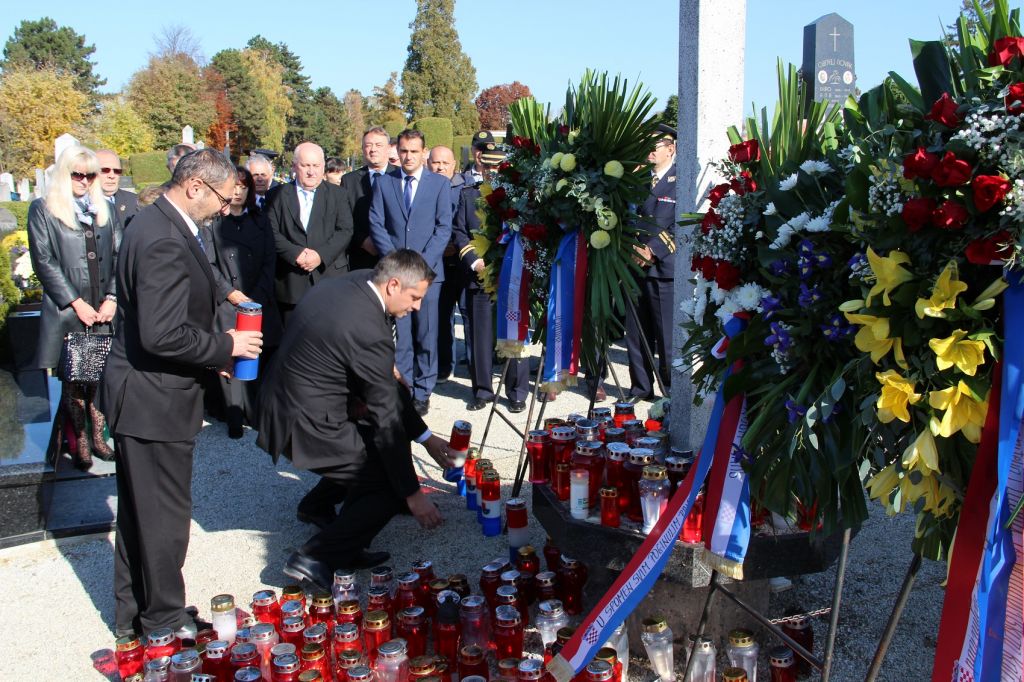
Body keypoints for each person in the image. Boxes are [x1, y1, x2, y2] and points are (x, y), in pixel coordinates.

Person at [98, 149, 264, 639]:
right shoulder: (162, 239)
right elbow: (162, 334)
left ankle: (138, 616)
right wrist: (225, 346)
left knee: (142, 515)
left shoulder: (159, 223)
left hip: (149, 393)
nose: (223, 208)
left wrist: (216, 345)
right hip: (153, 398)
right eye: (221, 198)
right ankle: (164, 622)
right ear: (195, 186)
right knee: (163, 519)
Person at [256, 250, 455, 587]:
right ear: (393, 284)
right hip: (304, 420)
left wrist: (425, 438)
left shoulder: (360, 282)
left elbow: (386, 388)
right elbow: (387, 421)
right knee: (388, 484)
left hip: (287, 399)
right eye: (415, 297)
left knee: (373, 452)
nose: (418, 307)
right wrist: (411, 493)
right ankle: (316, 557)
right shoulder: (368, 329)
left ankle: (321, 510)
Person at [27, 145, 121, 470]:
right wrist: (75, 303)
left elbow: (120, 255)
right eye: (77, 174)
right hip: (69, 310)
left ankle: (99, 439)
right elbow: (44, 261)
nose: (84, 180)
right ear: (64, 175)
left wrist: (112, 297)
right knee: (75, 380)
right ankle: (80, 441)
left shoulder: (104, 209)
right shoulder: (44, 209)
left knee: (98, 376)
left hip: (102, 309)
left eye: (90, 175)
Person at [369, 129, 452, 416]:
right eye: (403, 151)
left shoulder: (439, 184)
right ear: (398, 151)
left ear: (423, 153)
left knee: (426, 335)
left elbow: (443, 227)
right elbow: (377, 223)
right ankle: (403, 388)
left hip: (428, 275)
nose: (408, 156)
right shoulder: (384, 183)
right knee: (401, 337)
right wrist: (397, 264)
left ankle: (423, 390)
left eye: (414, 151)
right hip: (395, 276)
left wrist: (419, 267)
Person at [451, 145, 530, 413]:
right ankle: (482, 391)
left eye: (498, 167)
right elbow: (460, 232)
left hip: (512, 275)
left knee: (513, 333)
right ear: (481, 167)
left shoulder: (518, 198)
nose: (492, 172)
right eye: (488, 167)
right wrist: (475, 261)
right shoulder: (468, 195)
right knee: (480, 336)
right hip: (480, 274)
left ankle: (517, 391)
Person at [208, 166, 284, 437]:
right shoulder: (214, 223)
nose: (238, 192)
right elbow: (209, 263)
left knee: (258, 356)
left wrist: (257, 295)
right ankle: (233, 415)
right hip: (228, 300)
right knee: (230, 357)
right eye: (235, 187)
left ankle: (256, 413)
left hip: (258, 299)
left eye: (244, 187)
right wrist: (230, 293)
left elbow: (269, 259)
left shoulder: (260, 219)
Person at [266, 142, 354, 325]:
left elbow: (345, 230)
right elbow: (270, 231)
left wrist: (320, 255)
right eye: (305, 165)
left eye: (316, 165)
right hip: (291, 281)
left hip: (329, 279)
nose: (311, 172)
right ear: (294, 166)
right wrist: (295, 253)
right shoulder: (277, 195)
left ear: (323, 167)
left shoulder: (338, 195)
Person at [626, 124, 678, 402]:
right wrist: (631, 247)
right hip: (635, 265)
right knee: (636, 333)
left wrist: (653, 250)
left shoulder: (680, 180)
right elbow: (628, 218)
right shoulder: (638, 179)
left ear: (670, 149)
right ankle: (641, 388)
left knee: (666, 337)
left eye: (654, 146)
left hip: (663, 267)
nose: (649, 150)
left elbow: (681, 224)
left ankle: (670, 391)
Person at [427, 144, 467, 384]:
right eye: (436, 162)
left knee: (469, 317)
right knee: (442, 318)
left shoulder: (466, 189)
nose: (440, 167)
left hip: (464, 262)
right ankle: (444, 365)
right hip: (437, 263)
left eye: (445, 163)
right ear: (428, 164)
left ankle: (474, 363)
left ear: (455, 165)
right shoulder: (424, 188)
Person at [343, 127, 396, 271]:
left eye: (378, 145)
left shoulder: (400, 177)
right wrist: (362, 240)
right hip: (361, 256)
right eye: (368, 145)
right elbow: (344, 217)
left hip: (394, 255)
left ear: (389, 148)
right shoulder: (349, 180)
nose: (373, 149)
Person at [96, 150, 138, 227]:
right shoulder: (79, 205)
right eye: (105, 170)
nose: (112, 176)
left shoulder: (135, 202)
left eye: (117, 171)